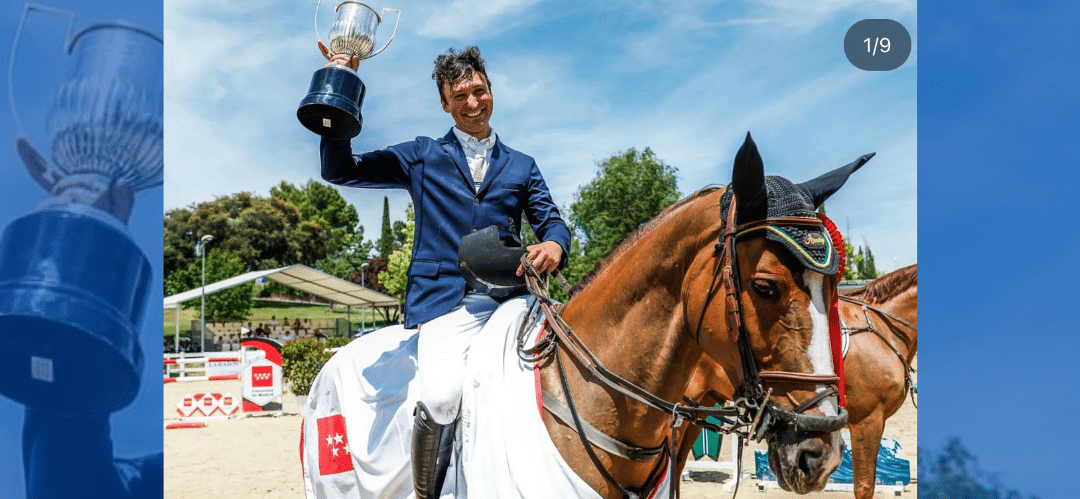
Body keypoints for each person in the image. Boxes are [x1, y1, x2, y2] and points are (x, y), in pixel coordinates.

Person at [318, 44, 570, 499]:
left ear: (491, 90)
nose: (473, 103)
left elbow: (551, 220)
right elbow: (341, 169)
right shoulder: (421, 155)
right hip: (444, 303)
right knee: (439, 396)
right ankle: (426, 493)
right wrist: (341, 82)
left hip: (511, 300)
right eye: (460, 96)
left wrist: (554, 242)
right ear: (444, 103)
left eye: (479, 90)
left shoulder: (522, 165)